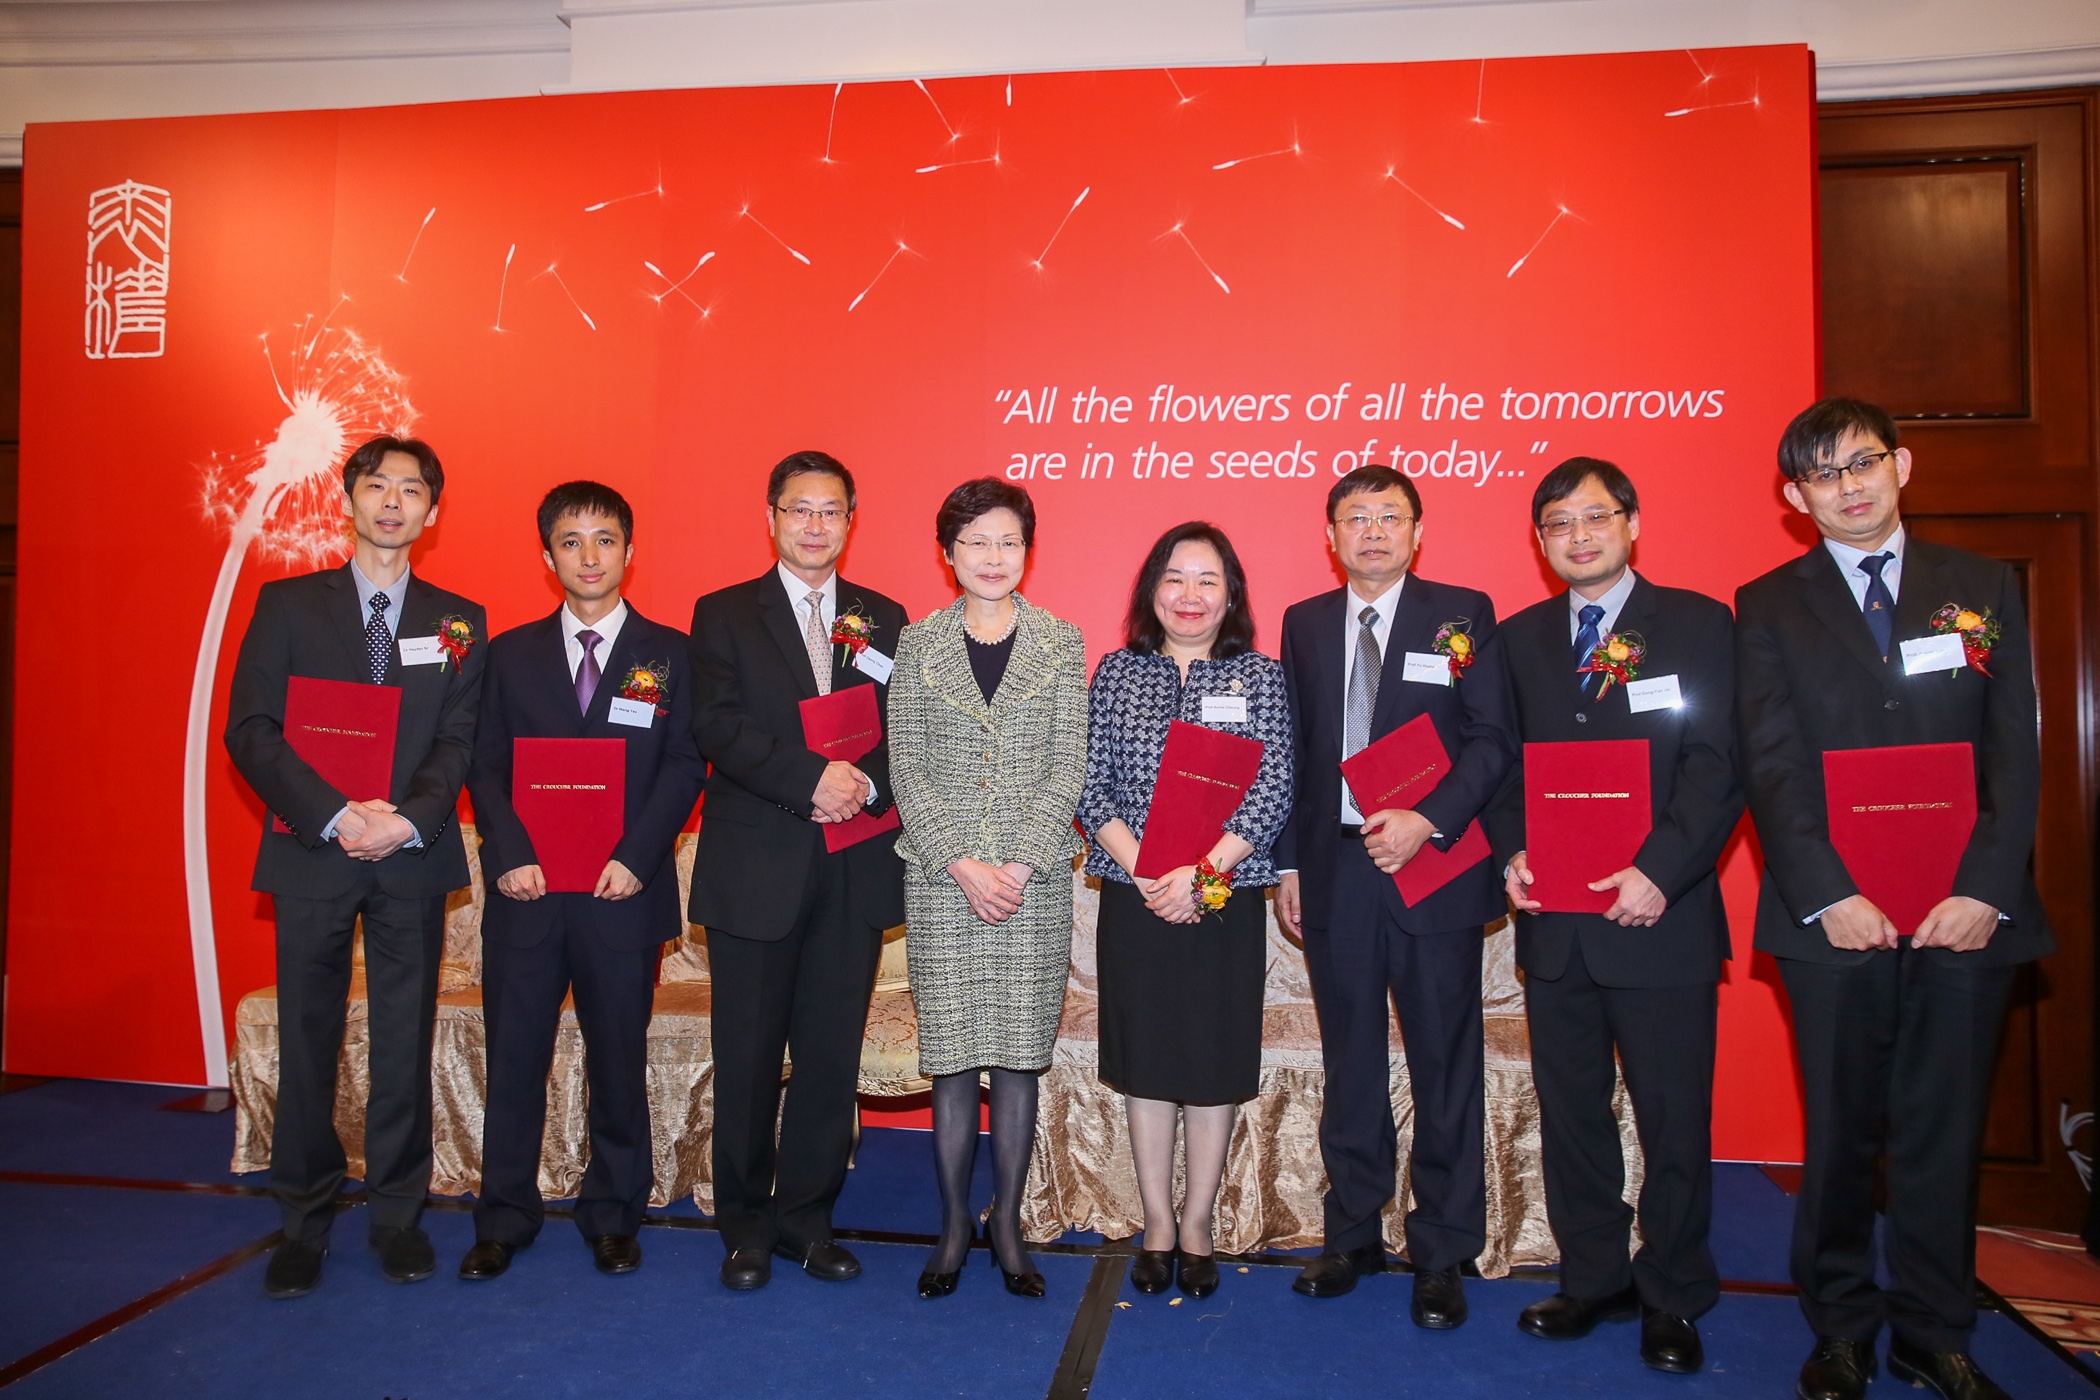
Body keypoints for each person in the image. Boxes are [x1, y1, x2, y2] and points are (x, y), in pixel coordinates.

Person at [1736, 399, 2049, 1400]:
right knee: (1841, 1133)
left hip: (1965, 916)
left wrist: (1983, 892)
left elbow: (2016, 752)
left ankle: (1935, 1331)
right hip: (1838, 921)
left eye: (1863, 461)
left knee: (1940, 1130)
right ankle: (1840, 1330)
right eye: (1823, 473)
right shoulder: (1769, 602)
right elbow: (1771, 763)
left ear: (1901, 465)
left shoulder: (1980, 583)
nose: (1848, 483)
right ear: (1795, 497)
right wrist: (1828, 893)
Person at [1485, 458, 1741, 1374]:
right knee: (1573, 1112)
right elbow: (1503, 766)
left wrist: (1660, 873)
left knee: (1674, 1115)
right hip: (1556, 924)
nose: (1579, 536)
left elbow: (1718, 763)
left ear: (1633, 523)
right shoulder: (1518, 640)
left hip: (1660, 919)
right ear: (1541, 541)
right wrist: (1513, 847)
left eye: (1596, 518)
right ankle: (1595, 1275)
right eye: (1558, 523)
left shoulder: (1703, 624)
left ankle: (1674, 1289)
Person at [223, 436, 485, 1298]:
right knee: (308, 1039)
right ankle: (303, 1219)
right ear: (349, 498)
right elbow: (252, 730)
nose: (393, 503)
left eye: (412, 491)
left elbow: (458, 739)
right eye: (378, 487)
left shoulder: (457, 620)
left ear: (432, 513)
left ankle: (398, 1214)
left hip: (408, 856)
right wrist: (337, 815)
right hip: (315, 853)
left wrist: (404, 820)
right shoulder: (289, 605)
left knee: (404, 1041)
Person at [1273, 463, 1517, 1327]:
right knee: (1351, 1062)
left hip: (1431, 863)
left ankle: (1444, 1249)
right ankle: (1352, 1234)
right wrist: (1290, 864)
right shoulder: (1303, 624)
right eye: (1355, 518)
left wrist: (1432, 819)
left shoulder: (1462, 613)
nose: (1372, 531)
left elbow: (1493, 740)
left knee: (1443, 1061)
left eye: (1390, 517)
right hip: (1335, 869)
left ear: (1419, 531)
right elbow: (1298, 755)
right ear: (1330, 536)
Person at [457, 482, 704, 1281]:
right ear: (546, 557)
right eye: (572, 541)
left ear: (630, 553)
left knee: (618, 1058)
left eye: (605, 540)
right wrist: (509, 852)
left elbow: (683, 765)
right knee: (517, 1057)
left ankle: (613, 1211)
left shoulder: (669, 654)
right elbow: (485, 762)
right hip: (527, 892)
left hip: (622, 896)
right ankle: (503, 1215)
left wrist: (638, 855)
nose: (589, 556)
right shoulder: (509, 654)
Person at [686, 451, 908, 1291]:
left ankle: (806, 1219)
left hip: (850, 871)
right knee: (745, 1057)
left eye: (831, 512)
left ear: (852, 521)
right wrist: (808, 780)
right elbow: (718, 727)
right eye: (799, 510)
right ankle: (743, 1226)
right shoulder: (724, 614)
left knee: (826, 1057)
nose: (815, 526)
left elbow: (903, 734)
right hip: (758, 867)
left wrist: (858, 784)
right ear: (771, 517)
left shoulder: (885, 618)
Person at [1078, 522, 1293, 1300]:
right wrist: (1147, 873)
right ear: (1151, 591)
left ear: (1230, 593)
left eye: (1207, 580)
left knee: (1208, 1065)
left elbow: (1272, 787)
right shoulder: (1117, 672)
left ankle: (1198, 1225)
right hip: (1137, 899)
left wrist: (1201, 873)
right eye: (1175, 578)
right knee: (1149, 1067)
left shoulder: (1261, 678)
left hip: (1223, 900)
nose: (1190, 595)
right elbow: (1088, 783)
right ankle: (1158, 1222)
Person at [887, 478, 1088, 1300]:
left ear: (1027, 549)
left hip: (1032, 884)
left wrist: (1023, 862)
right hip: (944, 885)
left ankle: (1005, 1222)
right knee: (952, 1061)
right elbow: (906, 763)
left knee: (1015, 1062)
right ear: (948, 554)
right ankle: (949, 1225)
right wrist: (961, 864)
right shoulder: (916, 643)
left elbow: (1066, 763)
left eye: (1007, 541)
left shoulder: (1062, 641)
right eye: (975, 543)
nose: (992, 557)